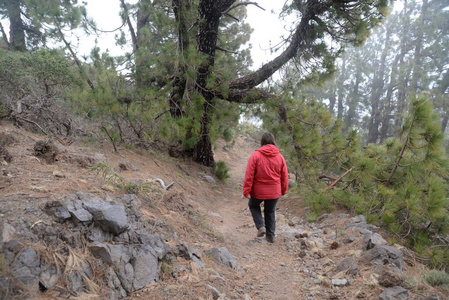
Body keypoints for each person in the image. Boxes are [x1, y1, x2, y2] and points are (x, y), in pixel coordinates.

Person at [243, 132, 289, 243]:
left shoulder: (256, 155)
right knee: (270, 211)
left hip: (258, 191)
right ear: (273, 141)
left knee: (253, 205)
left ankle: (260, 226)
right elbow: (284, 176)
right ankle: (271, 236)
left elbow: (249, 175)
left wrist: (246, 191)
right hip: (274, 191)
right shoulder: (280, 157)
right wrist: (283, 190)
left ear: (262, 142)